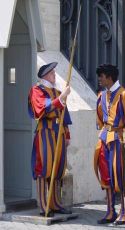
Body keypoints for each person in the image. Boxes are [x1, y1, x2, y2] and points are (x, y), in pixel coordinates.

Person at [94, 64, 125, 225]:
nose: (99, 79)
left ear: (109, 77)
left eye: (101, 76)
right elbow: (99, 119)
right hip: (104, 138)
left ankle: (124, 212)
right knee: (106, 176)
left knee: (121, 175)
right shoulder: (101, 95)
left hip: (120, 138)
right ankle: (110, 211)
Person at [28, 62, 72, 217]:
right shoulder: (36, 91)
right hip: (45, 132)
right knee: (44, 169)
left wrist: (67, 135)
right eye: (52, 73)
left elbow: (64, 116)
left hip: (58, 133)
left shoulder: (58, 92)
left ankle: (55, 203)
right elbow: (44, 109)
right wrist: (62, 97)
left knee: (58, 168)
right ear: (45, 75)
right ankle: (43, 205)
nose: (54, 75)